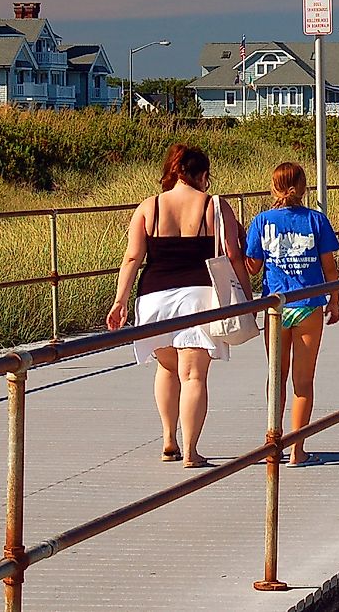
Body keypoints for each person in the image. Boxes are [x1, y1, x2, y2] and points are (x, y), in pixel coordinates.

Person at [106, 143, 251, 468]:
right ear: (202, 175)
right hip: (200, 295)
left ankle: (168, 440)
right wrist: (247, 297)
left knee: (168, 368)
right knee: (194, 376)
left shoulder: (149, 207)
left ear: (173, 172)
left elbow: (132, 257)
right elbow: (233, 255)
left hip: (155, 297)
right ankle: (191, 450)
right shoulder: (214, 205)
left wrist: (120, 300)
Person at [245, 163, 339, 467]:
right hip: (309, 303)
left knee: (277, 376)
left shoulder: (262, 221)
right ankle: (297, 451)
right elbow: (330, 267)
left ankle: (272, 440)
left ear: (273, 187)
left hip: (275, 307)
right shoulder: (317, 220)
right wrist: (334, 300)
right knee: (303, 381)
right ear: (303, 186)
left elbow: (253, 266)